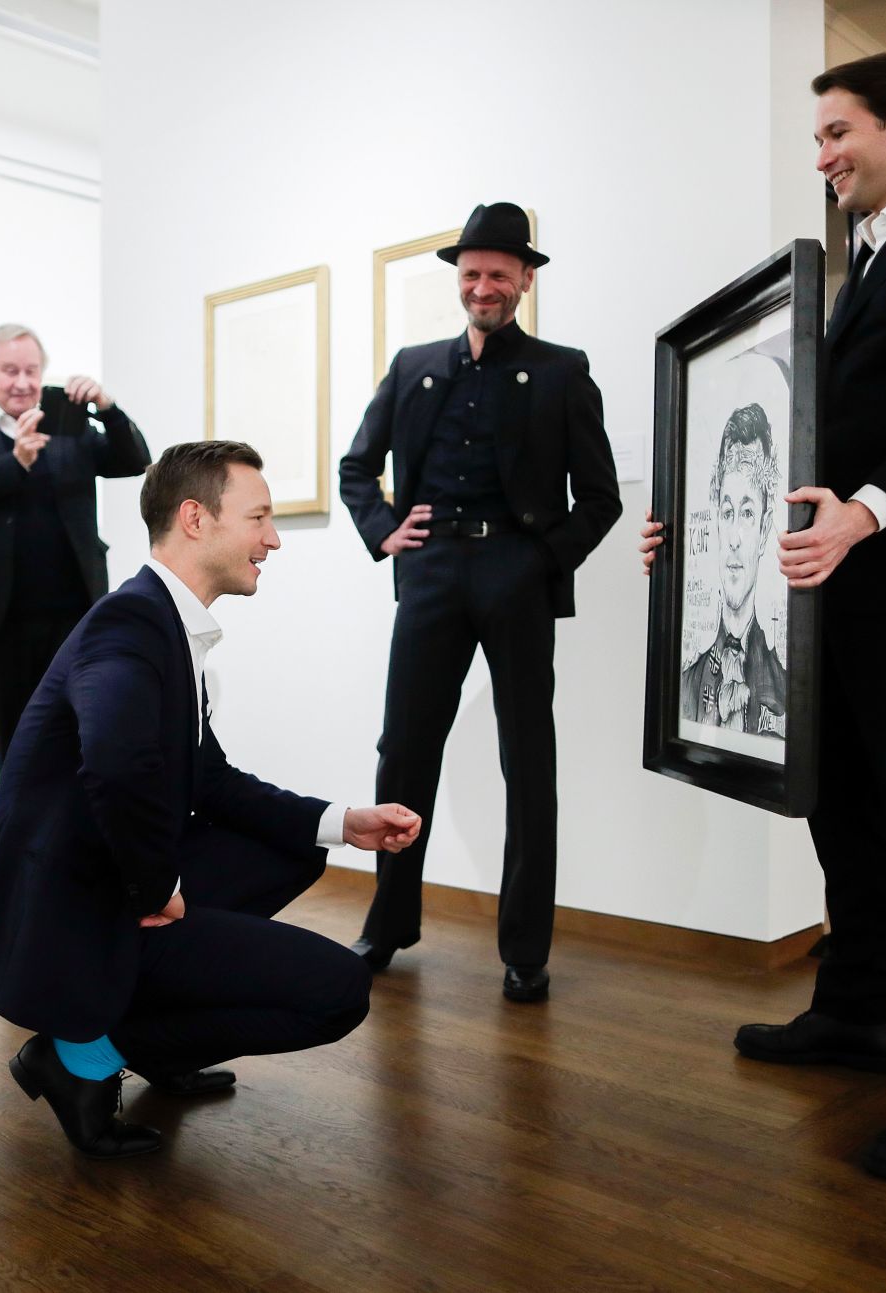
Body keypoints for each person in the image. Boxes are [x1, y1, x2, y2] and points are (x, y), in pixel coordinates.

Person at [641, 54, 886, 1181]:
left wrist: (863, 515)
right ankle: (856, 1016)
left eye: (833, 132)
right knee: (847, 816)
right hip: (824, 589)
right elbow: (796, 432)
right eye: (814, 141)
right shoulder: (857, 266)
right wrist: (699, 538)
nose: (820, 157)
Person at [0, 441, 421, 1159]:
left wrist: (341, 822)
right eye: (260, 517)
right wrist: (158, 886)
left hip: (102, 882)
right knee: (339, 989)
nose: (272, 538)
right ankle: (83, 1055)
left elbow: (209, 779)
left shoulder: (162, 621)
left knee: (295, 846)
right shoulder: (129, 624)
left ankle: (145, 1034)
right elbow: (115, 761)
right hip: (83, 911)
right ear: (196, 519)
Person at [339, 202, 622, 1002]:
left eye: (500, 273)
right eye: (471, 273)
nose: (484, 286)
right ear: (457, 280)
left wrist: (539, 563)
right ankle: (388, 922)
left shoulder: (564, 370)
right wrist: (386, 529)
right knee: (403, 750)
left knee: (528, 758)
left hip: (515, 572)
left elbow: (599, 498)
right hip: (430, 572)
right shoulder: (413, 365)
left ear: (525, 280)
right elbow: (357, 467)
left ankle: (526, 946)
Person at [0, 324, 151, 772]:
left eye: (31, 371)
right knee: (13, 738)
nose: (21, 382)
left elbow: (133, 461)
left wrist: (107, 409)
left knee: (78, 734)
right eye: (9, 370)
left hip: (73, 612)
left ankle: (69, 838)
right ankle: (18, 838)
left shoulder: (69, 426)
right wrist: (16, 463)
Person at [681, 402, 787, 736]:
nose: (735, 540)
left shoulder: (786, 691)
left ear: (765, 526)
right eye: (728, 513)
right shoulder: (684, 684)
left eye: (747, 513)